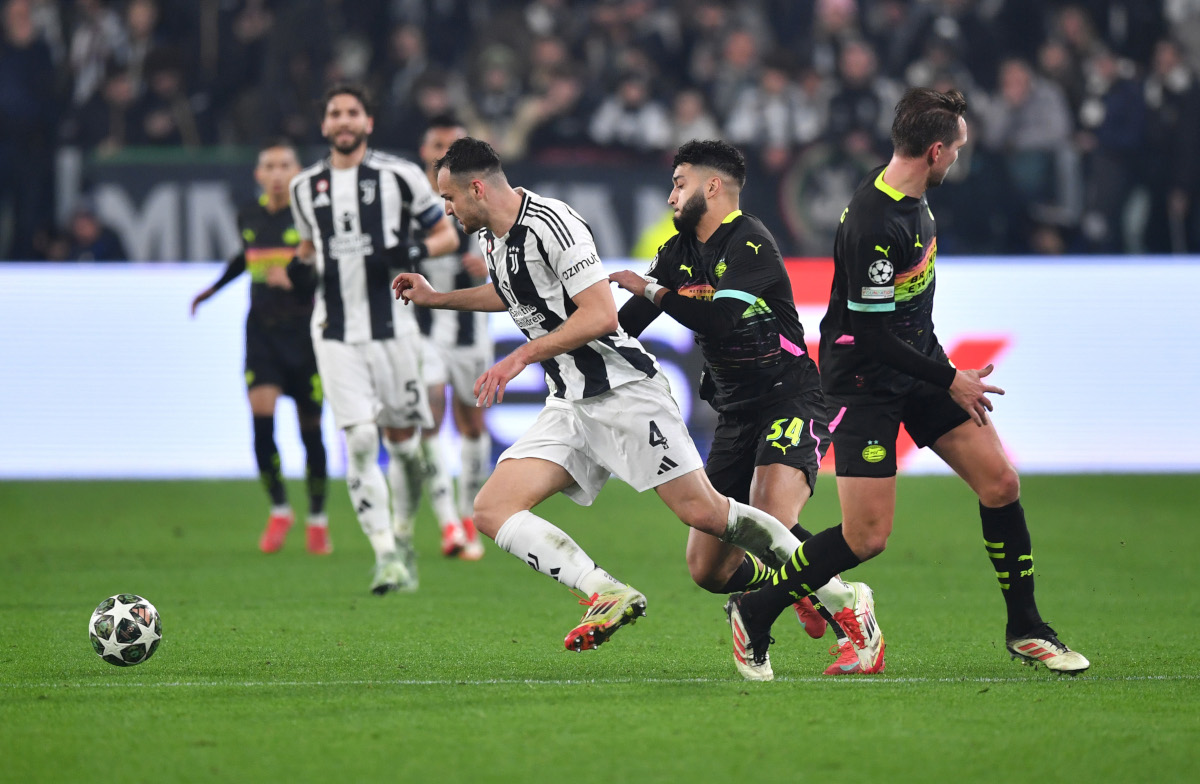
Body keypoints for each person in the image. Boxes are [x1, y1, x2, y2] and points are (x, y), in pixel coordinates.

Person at [392, 137, 867, 661]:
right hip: (572, 400)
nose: (447, 209)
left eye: (450, 198)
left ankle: (840, 599)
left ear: (476, 188)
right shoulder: (495, 239)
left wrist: (522, 356)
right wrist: (437, 299)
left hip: (629, 395)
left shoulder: (555, 223)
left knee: (708, 515)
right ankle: (604, 592)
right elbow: (514, 294)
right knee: (492, 508)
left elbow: (603, 318)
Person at [729, 87, 1090, 675]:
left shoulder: (906, 191)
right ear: (936, 151)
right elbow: (871, 335)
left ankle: (1026, 628)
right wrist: (950, 378)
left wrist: (942, 372)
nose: (960, 159)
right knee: (866, 537)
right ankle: (756, 609)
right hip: (865, 382)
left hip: (918, 365)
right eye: (958, 150)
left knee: (1000, 483)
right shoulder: (877, 222)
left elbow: (903, 314)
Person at [609, 139, 879, 679]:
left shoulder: (751, 243)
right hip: (733, 412)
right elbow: (626, 325)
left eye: (679, 183)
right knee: (706, 569)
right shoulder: (678, 250)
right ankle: (798, 581)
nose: (670, 197)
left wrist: (657, 293)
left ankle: (852, 610)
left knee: (773, 517)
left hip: (789, 396)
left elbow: (722, 322)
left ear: (712, 187)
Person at [283, 84, 460, 595]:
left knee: (405, 448)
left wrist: (409, 248)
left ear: (367, 122)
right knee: (360, 439)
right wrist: (301, 268)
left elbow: (446, 233)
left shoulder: (400, 177)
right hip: (334, 332)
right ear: (324, 125)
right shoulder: (304, 187)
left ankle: (404, 534)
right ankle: (385, 554)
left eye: (351, 113)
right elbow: (308, 249)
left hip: (394, 329)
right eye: (334, 113)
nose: (343, 121)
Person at [190, 139, 329, 555]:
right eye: (269, 166)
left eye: (285, 165)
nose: (276, 173)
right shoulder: (247, 216)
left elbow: (330, 270)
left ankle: (318, 519)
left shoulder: (310, 220)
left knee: (310, 432)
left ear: (297, 171)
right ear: (258, 174)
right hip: (262, 334)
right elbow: (245, 257)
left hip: (305, 335)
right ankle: (280, 509)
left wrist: (298, 279)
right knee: (262, 421)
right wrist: (212, 289)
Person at [411, 115, 490, 561]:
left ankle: (466, 514)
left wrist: (490, 266)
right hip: (423, 330)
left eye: (452, 143)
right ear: (424, 151)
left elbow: (507, 248)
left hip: (470, 328)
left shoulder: (481, 193)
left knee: (472, 424)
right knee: (430, 417)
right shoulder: (408, 199)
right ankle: (448, 524)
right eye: (436, 142)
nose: (442, 149)